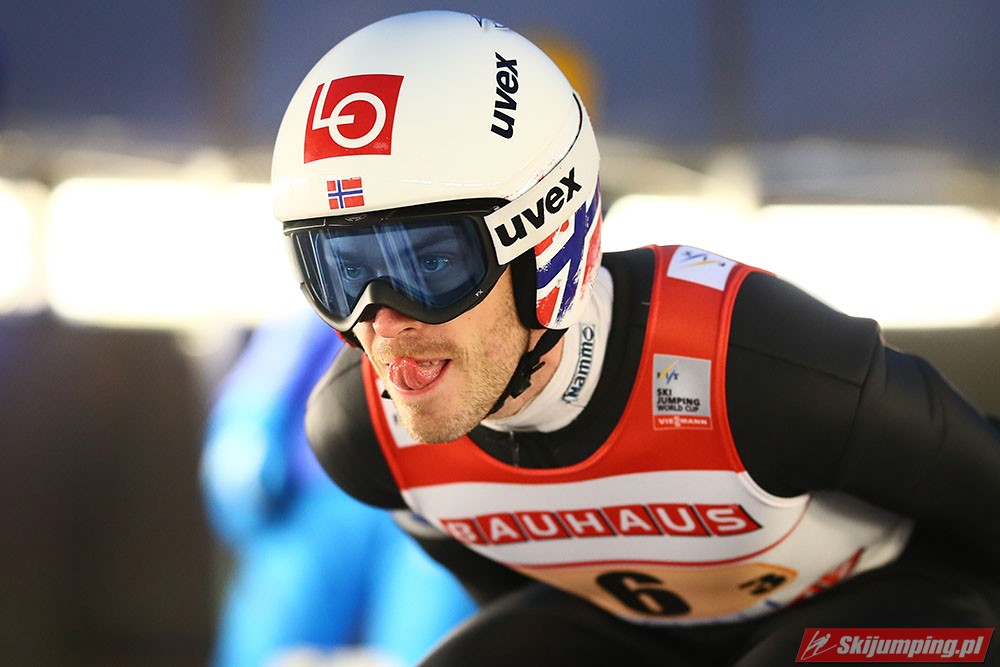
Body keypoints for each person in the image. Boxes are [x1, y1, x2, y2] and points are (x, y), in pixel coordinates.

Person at [269, 10, 1000, 666]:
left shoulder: (750, 363)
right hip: (644, 630)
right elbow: (519, 605)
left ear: (545, 245)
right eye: (344, 273)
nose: (382, 324)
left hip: (901, 602)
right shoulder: (361, 433)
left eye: (429, 266)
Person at [200, 311, 474, 667]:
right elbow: (268, 376)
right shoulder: (315, 312)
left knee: (434, 646)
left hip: (432, 492)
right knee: (272, 635)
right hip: (316, 494)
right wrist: (244, 444)